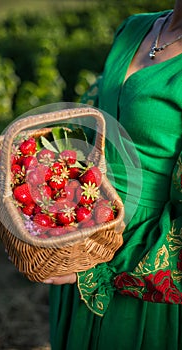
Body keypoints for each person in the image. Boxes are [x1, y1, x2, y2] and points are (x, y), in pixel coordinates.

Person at [43, 1, 182, 349]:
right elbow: (92, 120)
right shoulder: (134, 28)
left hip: (140, 251)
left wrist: (100, 268)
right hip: (83, 224)